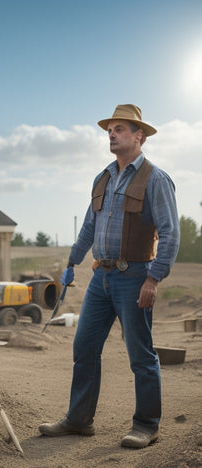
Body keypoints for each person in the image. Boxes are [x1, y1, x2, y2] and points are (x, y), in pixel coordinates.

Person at [39, 104, 180, 449]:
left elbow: (171, 234)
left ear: (139, 136)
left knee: (140, 356)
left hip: (134, 278)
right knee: (84, 347)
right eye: (110, 129)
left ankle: (147, 425)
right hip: (100, 280)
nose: (112, 134)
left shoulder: (156, 179)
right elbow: (89, 227)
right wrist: (72, 261)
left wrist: (153, 279)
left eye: (120, 129)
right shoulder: (102, 177)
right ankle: (78, 420)